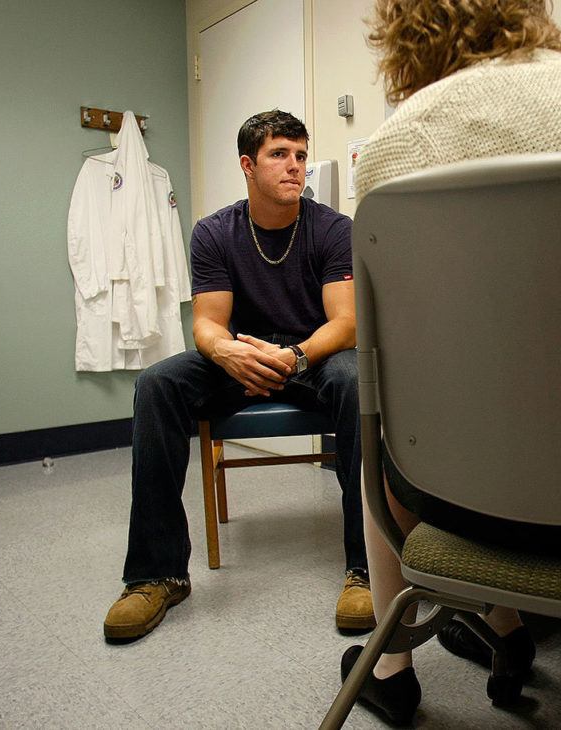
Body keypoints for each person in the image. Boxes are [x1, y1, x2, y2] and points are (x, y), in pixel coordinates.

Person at [339, 0, 561, 723]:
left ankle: (394, 664)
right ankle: (506, 629)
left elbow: (400, 352)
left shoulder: (400, 147)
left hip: (487, 503)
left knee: (384, 426)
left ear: (404, 36)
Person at [103, 110, 374, 641]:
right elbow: (207, 323)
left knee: (355, 376)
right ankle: (155, 575)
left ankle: (366, 568)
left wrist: (293, 357)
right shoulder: (214, 232)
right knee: (157, 384)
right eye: (280, 154)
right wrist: (228, 355)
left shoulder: (334, 229)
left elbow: (346, 323)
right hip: (241, 355)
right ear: (248, 165)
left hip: (312, 356)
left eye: (300, 155)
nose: (295, 166)